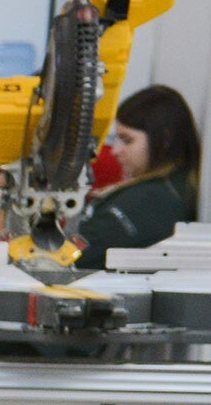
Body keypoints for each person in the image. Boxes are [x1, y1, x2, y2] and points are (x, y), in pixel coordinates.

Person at [75, 84, 201, 270]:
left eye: (127, 140)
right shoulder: (169, 189)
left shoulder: (150, 201)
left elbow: (72, 258)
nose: (116, 150)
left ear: (164, 140)